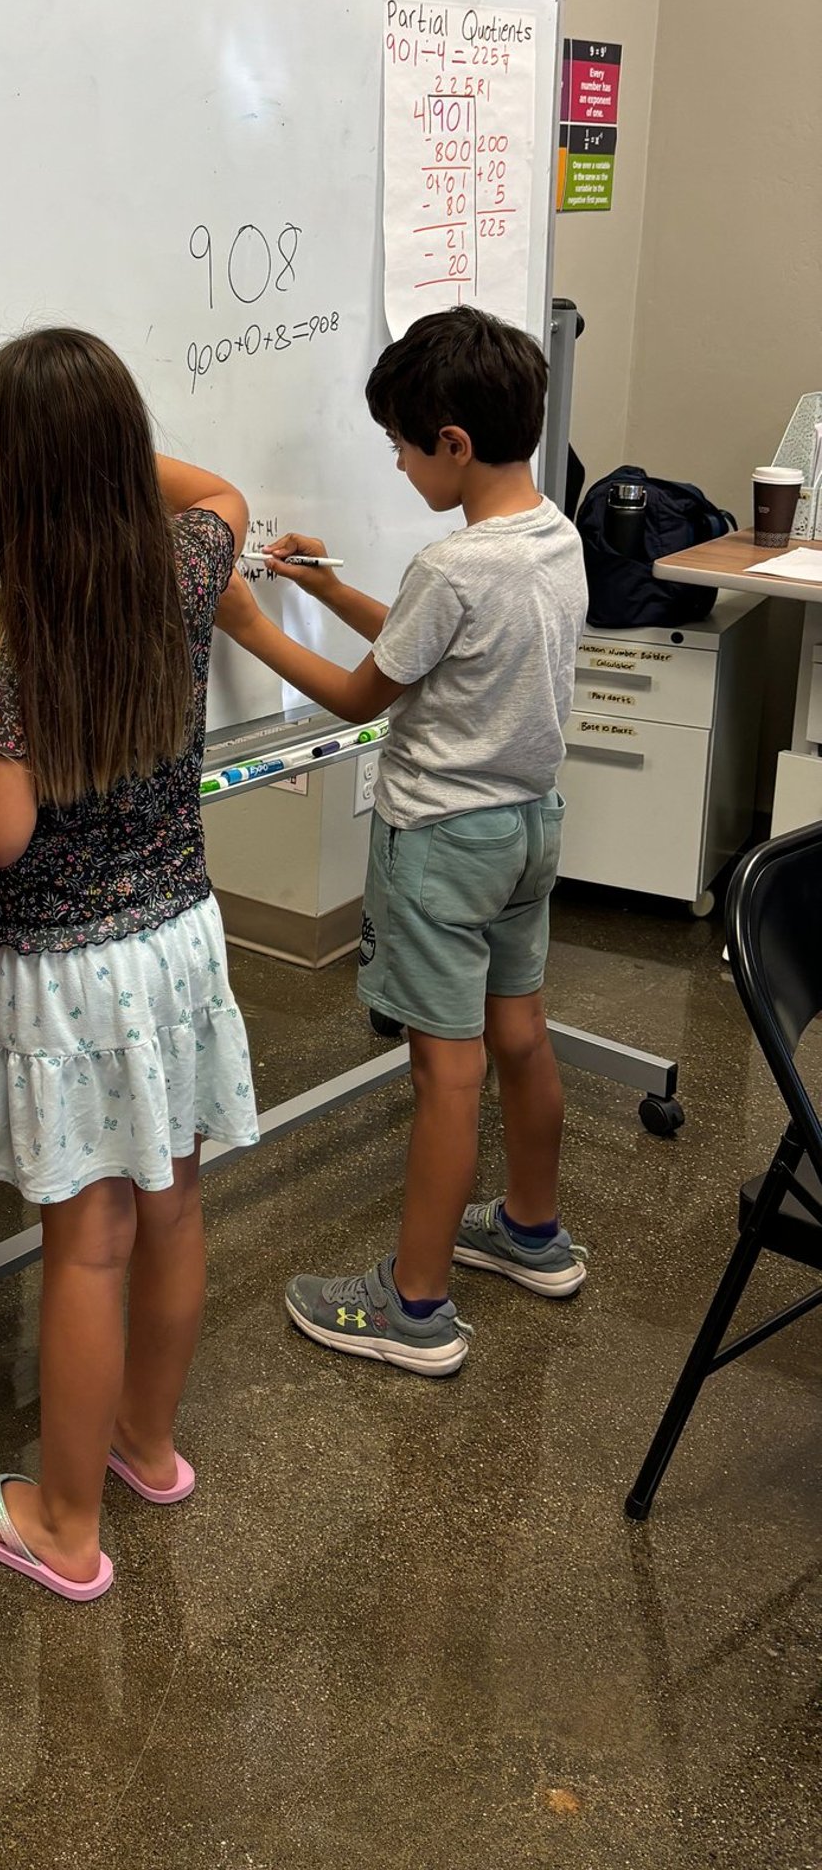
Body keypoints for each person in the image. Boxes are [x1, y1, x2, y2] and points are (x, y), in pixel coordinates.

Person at [0, 327, 258, 1599]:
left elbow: (1, 836)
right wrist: (113, 458)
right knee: (171, 1203)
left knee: (87, 1245)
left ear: (6, 477)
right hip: (179, 937)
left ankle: (65, 1526)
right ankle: (145, 1444)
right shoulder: (178, 567)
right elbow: (225, 494)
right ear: (126, 457)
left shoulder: (6, 642)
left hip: (69, 969)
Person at [215, 305, 589, 1377]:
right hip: (526, 829)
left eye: (402, 444)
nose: (396, 461)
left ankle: (415, 1307)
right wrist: (329, 586)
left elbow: (357, 698)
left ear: (454, 445)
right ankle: (531, 1232)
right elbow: (445, 647)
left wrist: (253, 627)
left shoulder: (451, 566)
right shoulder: (548, 537)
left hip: (438, 847)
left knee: (446, 1072)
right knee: (519, 1035)